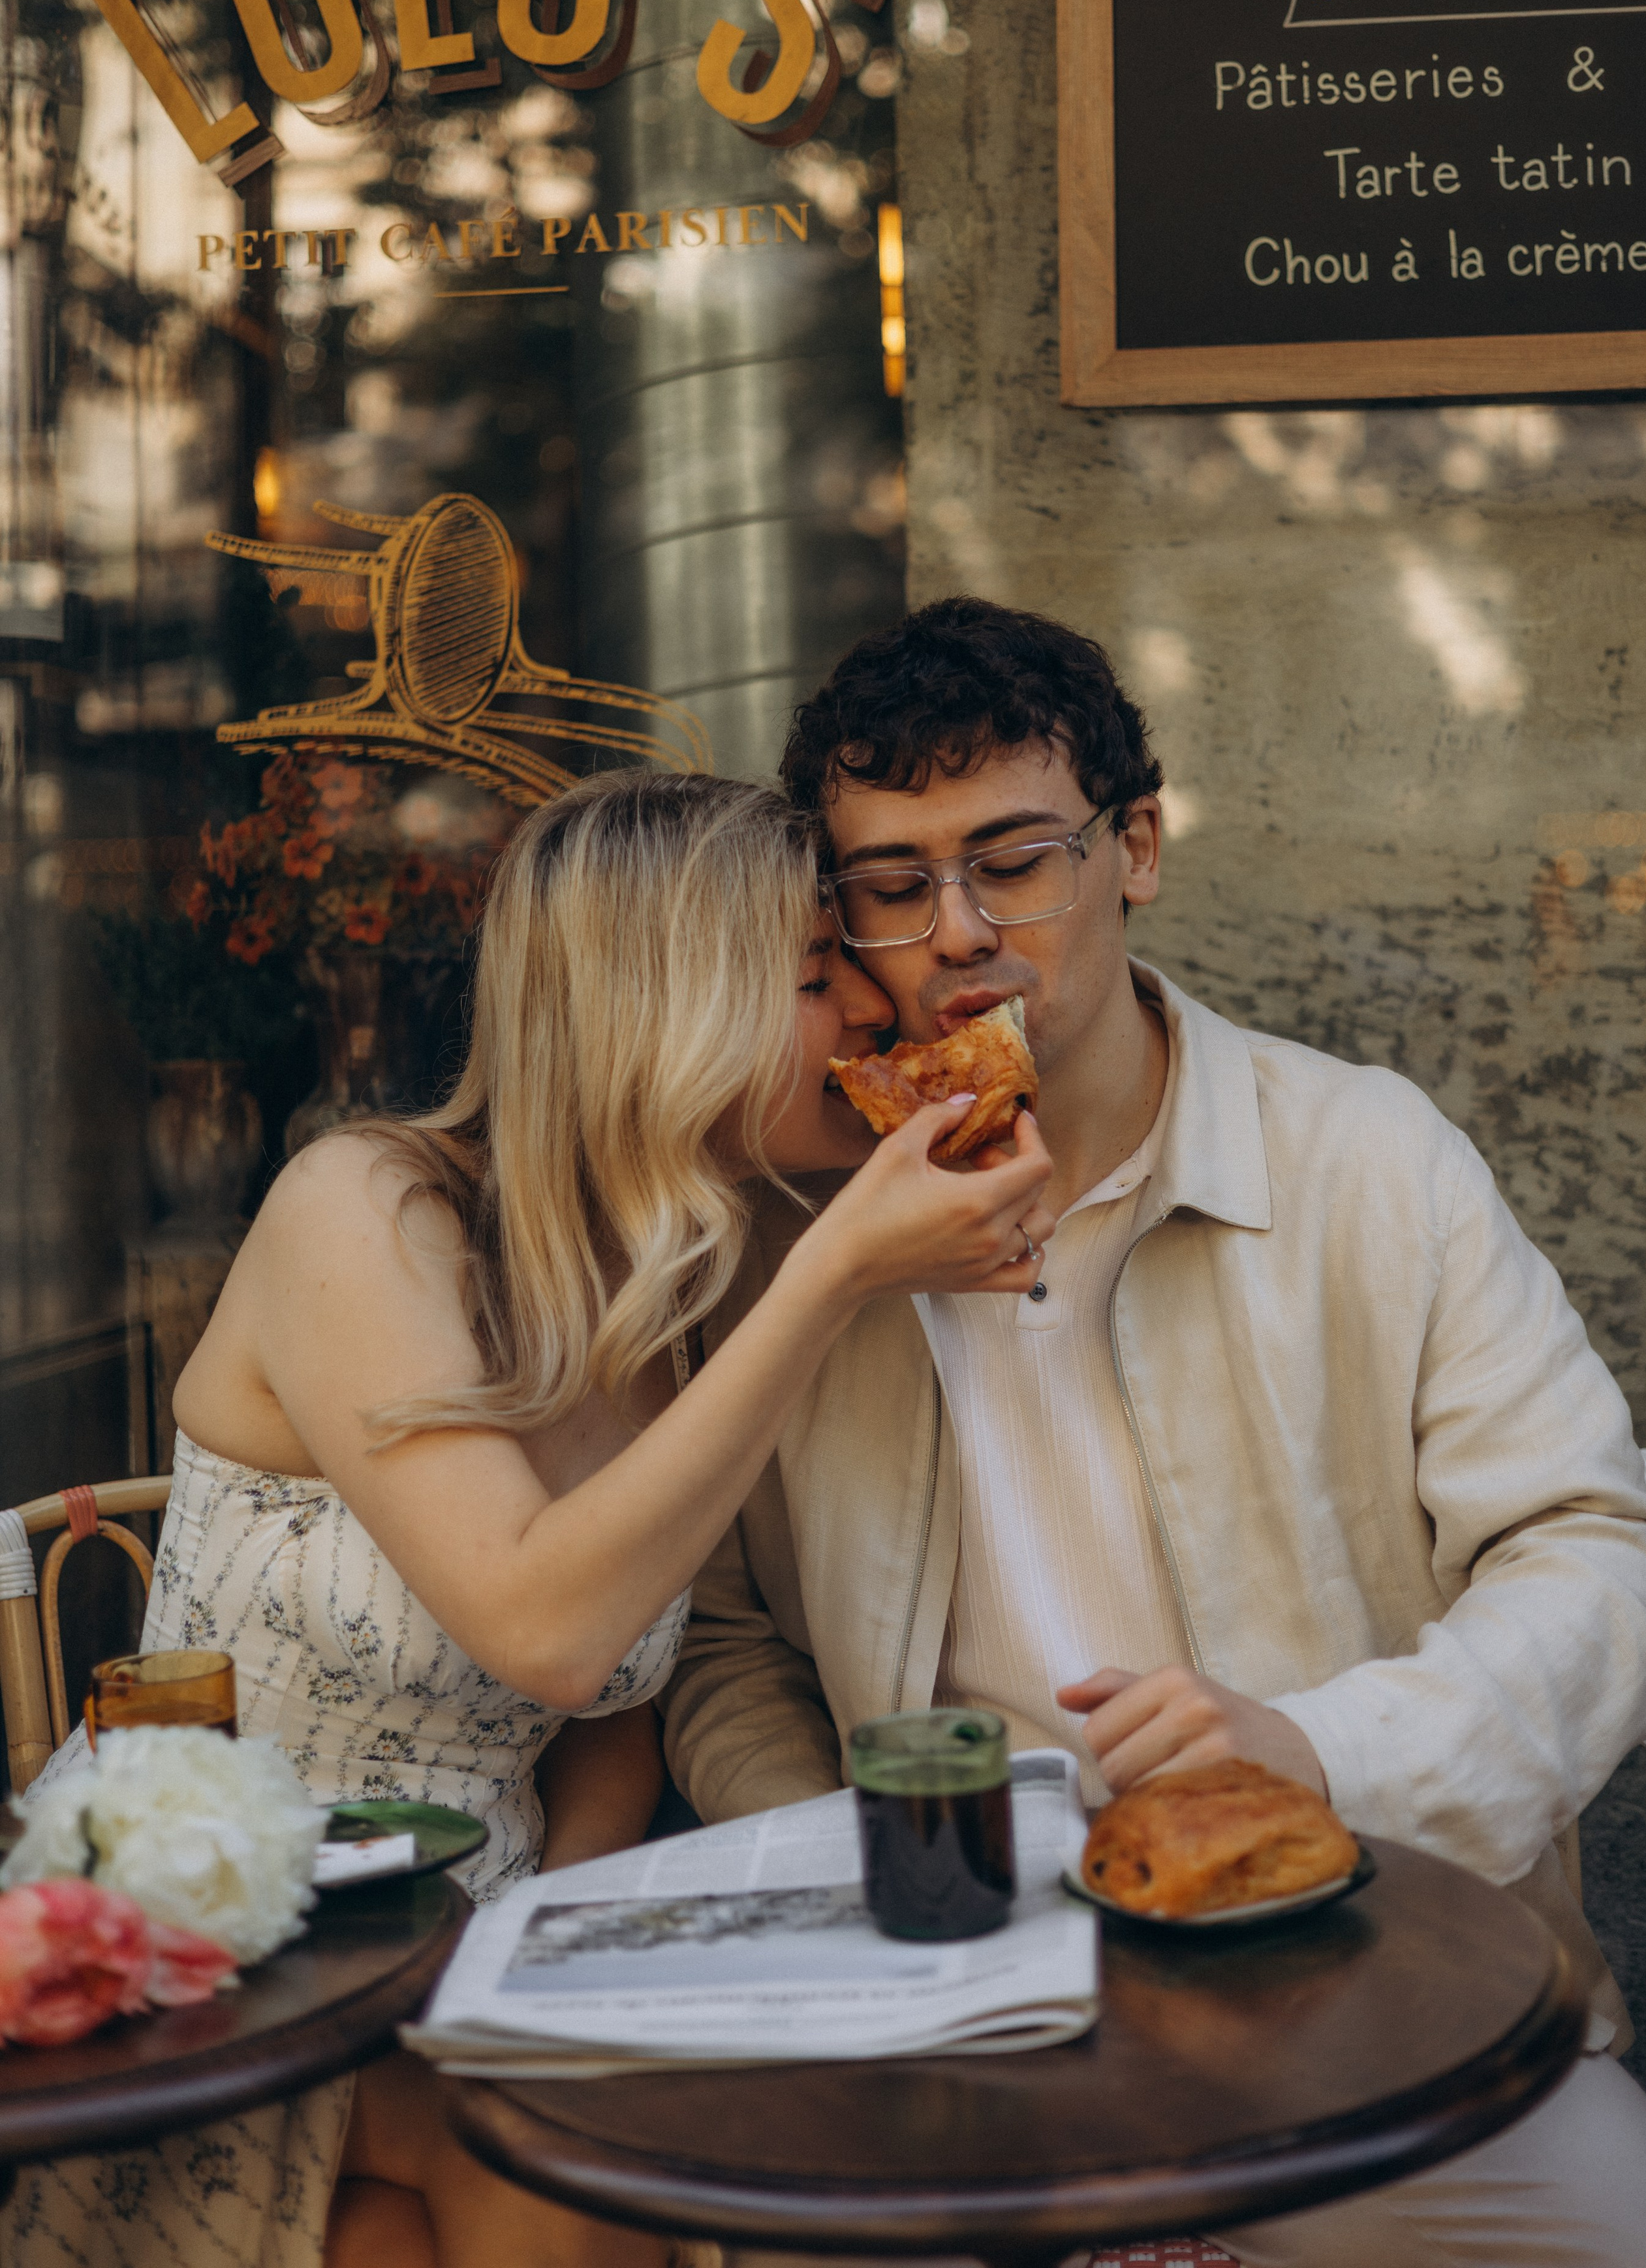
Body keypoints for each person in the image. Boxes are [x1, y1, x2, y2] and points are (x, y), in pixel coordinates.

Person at [661, 600, 1646, 2268]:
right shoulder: (788, 1238)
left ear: (1134, 846)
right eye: (896, 886)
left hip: (1376, 1989)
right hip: (950, 2021)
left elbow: (1598, 1560)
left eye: (1015, 859)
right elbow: (722, 1637)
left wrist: (1326, 1755)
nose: (961, 932)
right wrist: (852, 1877)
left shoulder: (1368, 1159)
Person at [2, 769, 1054, 2268]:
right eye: (822, 981)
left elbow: (615, 1708)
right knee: (569, 2167)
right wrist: (837, 1281)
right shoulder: (364, 1211)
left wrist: (546, 1967)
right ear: (669, 1006)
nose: (879, 1019)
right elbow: (550, 1632)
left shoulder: (681, 1291)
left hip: (471, 1979)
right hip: (237, 1986)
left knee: (506, 2188)